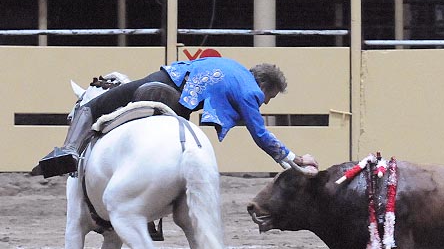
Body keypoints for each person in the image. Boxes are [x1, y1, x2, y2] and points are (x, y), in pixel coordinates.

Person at [36, 57, 319, 178]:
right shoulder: (250, 93)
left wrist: (289, 159)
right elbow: (259, 133)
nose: (264, 103)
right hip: (178, 105)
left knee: (92, 106)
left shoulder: (234, 70)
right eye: (268, 97)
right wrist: (294, 160)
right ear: (265, 86)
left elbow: (245, 120)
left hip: (164, 82)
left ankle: (69, 150)